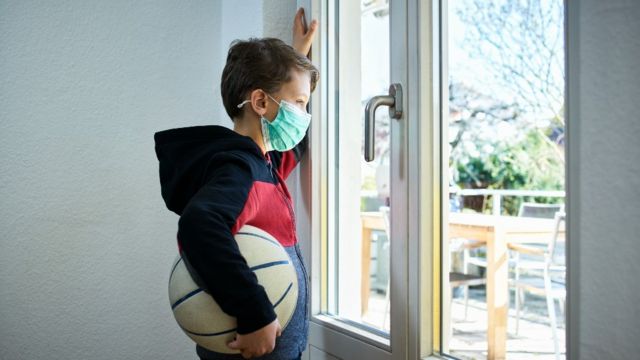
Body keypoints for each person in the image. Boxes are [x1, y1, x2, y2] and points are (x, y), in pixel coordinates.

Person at [154, 8, 318, 360]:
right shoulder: (240, 170)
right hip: (255, 346)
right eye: (300, 103)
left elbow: (297, 143)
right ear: (260, 102)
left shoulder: (265, 162)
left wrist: (298, 58)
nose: (303, 117)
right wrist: (255, 314)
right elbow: (200, 227)